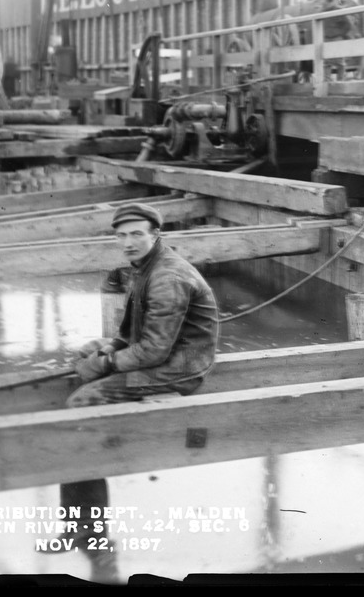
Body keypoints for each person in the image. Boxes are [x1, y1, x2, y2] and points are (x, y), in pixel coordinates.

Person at [39, 202, 220, 582]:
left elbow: (154, 350)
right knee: (82, 384)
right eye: (121, 235)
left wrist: (104, 366)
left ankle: (90, 533)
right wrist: (106, 346)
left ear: (156, 234)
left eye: (137, 233)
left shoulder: (167, 277)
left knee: (80, 405)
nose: (128, 242)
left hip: (178, 369)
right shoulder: (145, 269)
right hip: (165, 357)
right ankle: (79, 525)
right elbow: (134, 334)